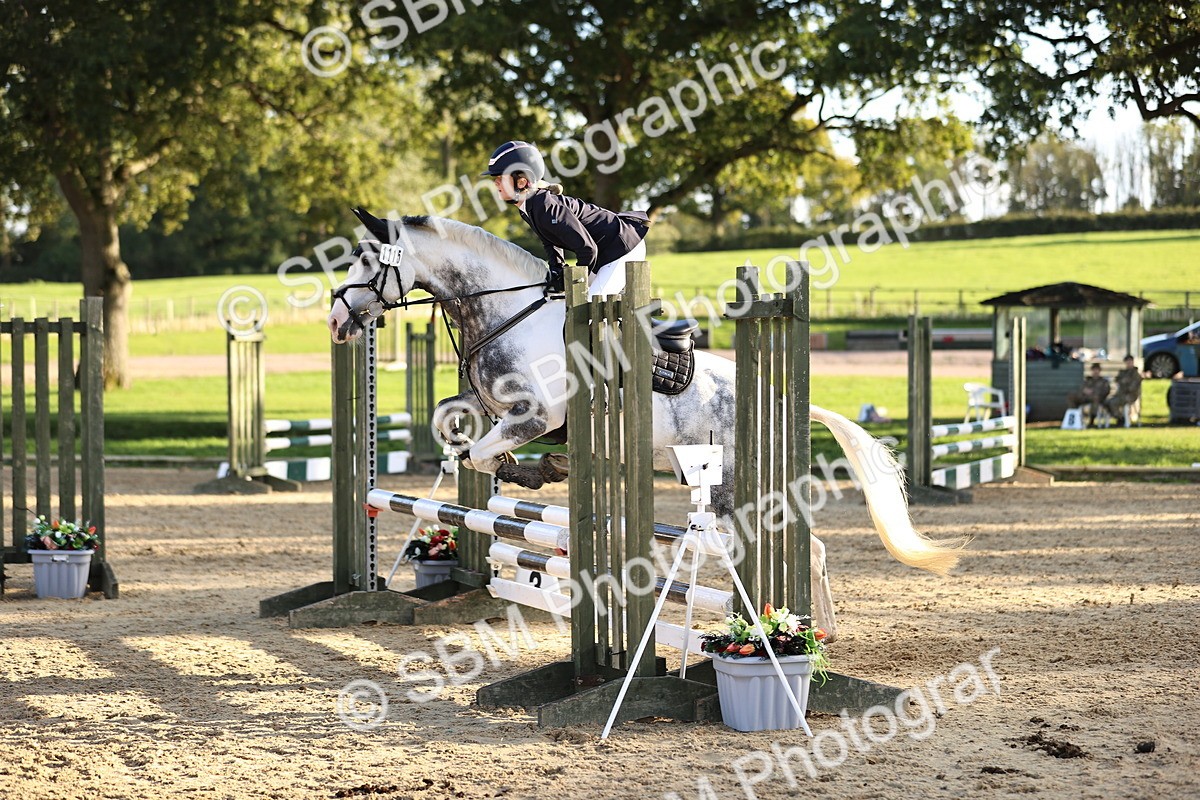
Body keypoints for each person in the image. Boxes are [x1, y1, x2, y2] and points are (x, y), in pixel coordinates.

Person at [481, 141, 650, 297]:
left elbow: (587, 249)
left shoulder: (545, 205)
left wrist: (575, 280)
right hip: (603, 252)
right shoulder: (528, 207)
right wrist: (557, 270)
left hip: (621, 248)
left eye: (500, 178)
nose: (495, 183)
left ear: (521, 182)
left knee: (590, 308)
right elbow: (550, 242)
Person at [1105, 354, 1143, 423]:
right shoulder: (1123, 373)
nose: (1128, 363)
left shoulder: (1135, 374)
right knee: (1107, 402)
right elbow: (1117, 380)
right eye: (1127, 362)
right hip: (1121, 394)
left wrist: (1124, 383)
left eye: (1130, 362)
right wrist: (1123, 382)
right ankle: (1119, 417)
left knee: (1113, 403)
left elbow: (1132, 388)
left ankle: (1121, 418)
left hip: (1130, 396)